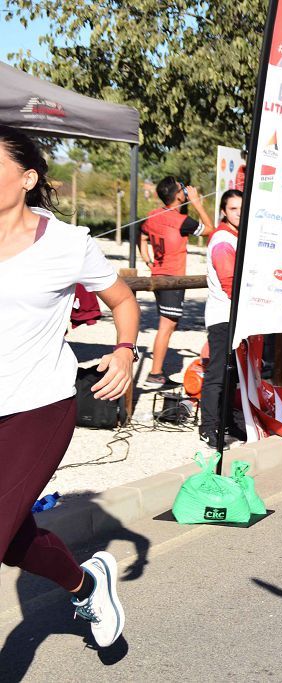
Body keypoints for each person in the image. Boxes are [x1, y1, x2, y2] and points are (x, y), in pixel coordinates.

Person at [0, 125, 139, 649]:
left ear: (26, 178)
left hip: (37, 407)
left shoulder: (67, 244)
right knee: (13, 541)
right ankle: (87, 584)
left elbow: (123, 301)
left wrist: (123, 352)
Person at [138, 176, 213, 389]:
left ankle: (156, 373)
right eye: (182, 188)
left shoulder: (153, 216)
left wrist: (148, 260)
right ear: (178, 195)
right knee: (166, 327)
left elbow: (142, 236)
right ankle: (155, 375)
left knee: (169, 324)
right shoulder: (180, 222)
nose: (186, 190)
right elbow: (209, 229)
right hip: (173, 279)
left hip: (158, 276)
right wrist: (197, 202)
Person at [199, 189, 248, 447]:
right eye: (233, 209)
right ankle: (208, 427)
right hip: (223, 317)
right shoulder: (223, 240)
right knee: (218, 373)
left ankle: (228, 422)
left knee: (232, 375)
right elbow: (231, 284)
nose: (239, 213)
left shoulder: (237, 236)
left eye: (242, 208)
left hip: (235, 317)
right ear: (223, 212)